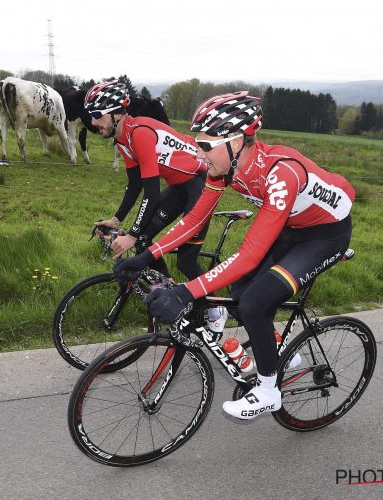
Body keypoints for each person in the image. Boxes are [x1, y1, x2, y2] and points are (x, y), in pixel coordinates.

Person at [114, 91, 355, 420]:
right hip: (292, 227)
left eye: (206, 145)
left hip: (326, 236)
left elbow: (250, 254)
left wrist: (186, 290)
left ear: (237, 142)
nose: (200, 152)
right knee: (240, 292)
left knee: (255, 301)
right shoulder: (221, 171)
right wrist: (147, 255)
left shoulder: (280, 172)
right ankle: (280, 349)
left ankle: (268, 391)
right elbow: (195, 219)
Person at [85, 81, 210, 282]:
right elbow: (135, 184)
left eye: (98, 115)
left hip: (200, 184)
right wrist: (117, 220)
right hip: (179, 186)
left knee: (186, 261)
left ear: (116, 114)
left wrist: (131, 235)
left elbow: (151, 194)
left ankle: (216, 311)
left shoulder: (140, 133)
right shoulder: (123, 139)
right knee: (143, 240)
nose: (92, 122)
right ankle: (164, 289)